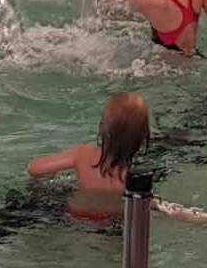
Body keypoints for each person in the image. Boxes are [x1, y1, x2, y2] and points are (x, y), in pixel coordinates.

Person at [27, 92, 151, 222]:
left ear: (102, 127)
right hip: (114, 221)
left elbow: (34, 169)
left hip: (75, 216)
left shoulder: (83, 154)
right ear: (144, 135)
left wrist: (54, 177)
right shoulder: (140, 175)